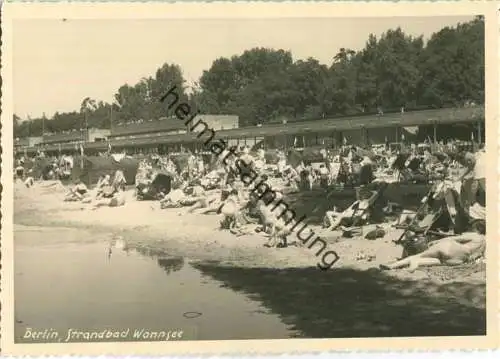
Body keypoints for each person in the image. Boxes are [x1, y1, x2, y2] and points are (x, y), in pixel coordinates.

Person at [380, 231, 485, 272]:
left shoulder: (476, 235)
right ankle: (413, 266)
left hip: (453, 249)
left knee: (419, 255)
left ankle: (392, 266)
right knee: (425, 260)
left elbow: (454, 238)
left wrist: (437, 241)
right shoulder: (486, 244)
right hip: (459, 260)